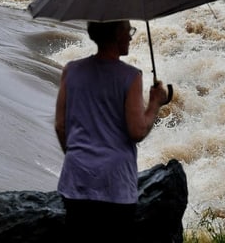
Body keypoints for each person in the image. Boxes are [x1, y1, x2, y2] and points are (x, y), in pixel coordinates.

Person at [54, 20, 168, 243]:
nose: (131, 36)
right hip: (114, 185)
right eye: (128, 31)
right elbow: (137, 131)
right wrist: (155, 103)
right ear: (117, 34)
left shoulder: (71, 71)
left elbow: (60, 125)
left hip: (76, 179)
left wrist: (78, 156)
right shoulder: (130, 76)